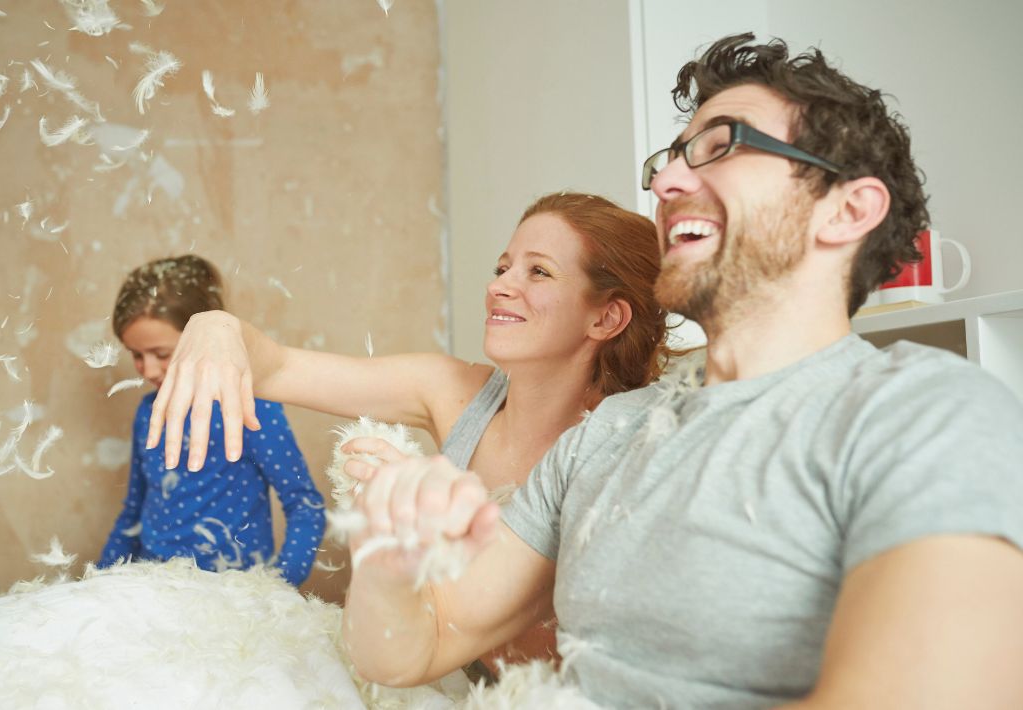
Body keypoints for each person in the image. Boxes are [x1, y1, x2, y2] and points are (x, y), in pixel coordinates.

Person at [335, 33, 1023, 708]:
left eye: (723, 146)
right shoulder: (605, 436)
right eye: (669, 160)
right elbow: (412, 648)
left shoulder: (925, 413)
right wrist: (391, 560)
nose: (665, 183)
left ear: (848, 210)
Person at [142, 194, 678, 673]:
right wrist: (214, 326)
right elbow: (276, 368)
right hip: (454, 678)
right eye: (502, 266)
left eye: (538, 272)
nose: (499, 285)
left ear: (606, 319)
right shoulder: (451, 390)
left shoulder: (625, 443)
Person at [98, 255, 325, 587]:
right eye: (136, 355)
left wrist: (277, 592)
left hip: (230, 600)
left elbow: (305, 506)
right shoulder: (149, 412)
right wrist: (98, 585)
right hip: (151, 593)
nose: (148, 371)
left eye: (161, 354)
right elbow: (133, 512)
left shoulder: (252, 407)